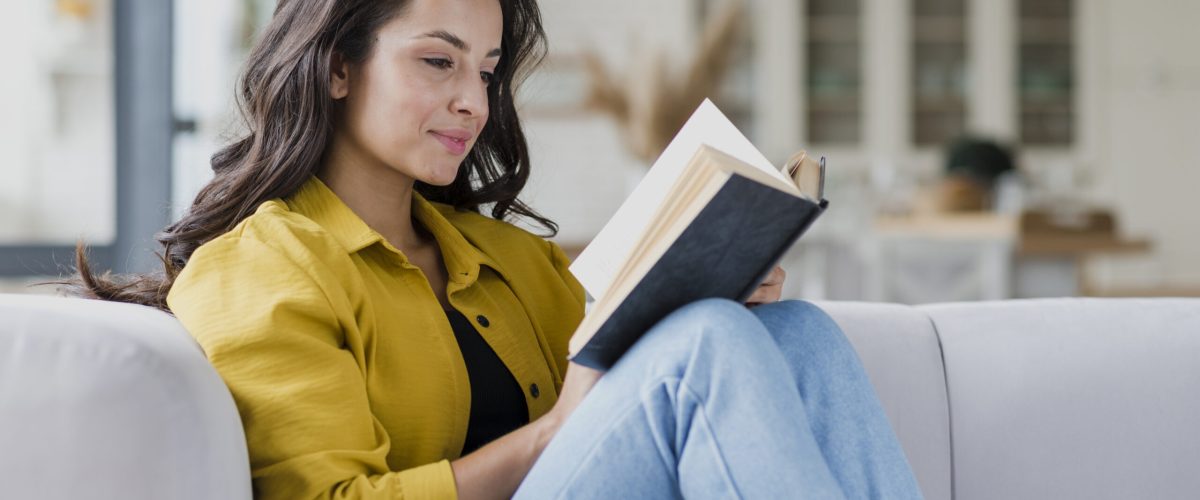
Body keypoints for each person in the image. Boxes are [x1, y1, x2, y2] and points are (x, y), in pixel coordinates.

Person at [70, 0, 922, 498]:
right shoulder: (260, 267)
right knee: (710, 344)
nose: (472, 101)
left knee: (792, 331)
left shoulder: (504, 258)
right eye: (437, 62)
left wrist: (712, 283)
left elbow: (639, 399)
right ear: (337, 67)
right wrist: (551, 437)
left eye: (484, 70)